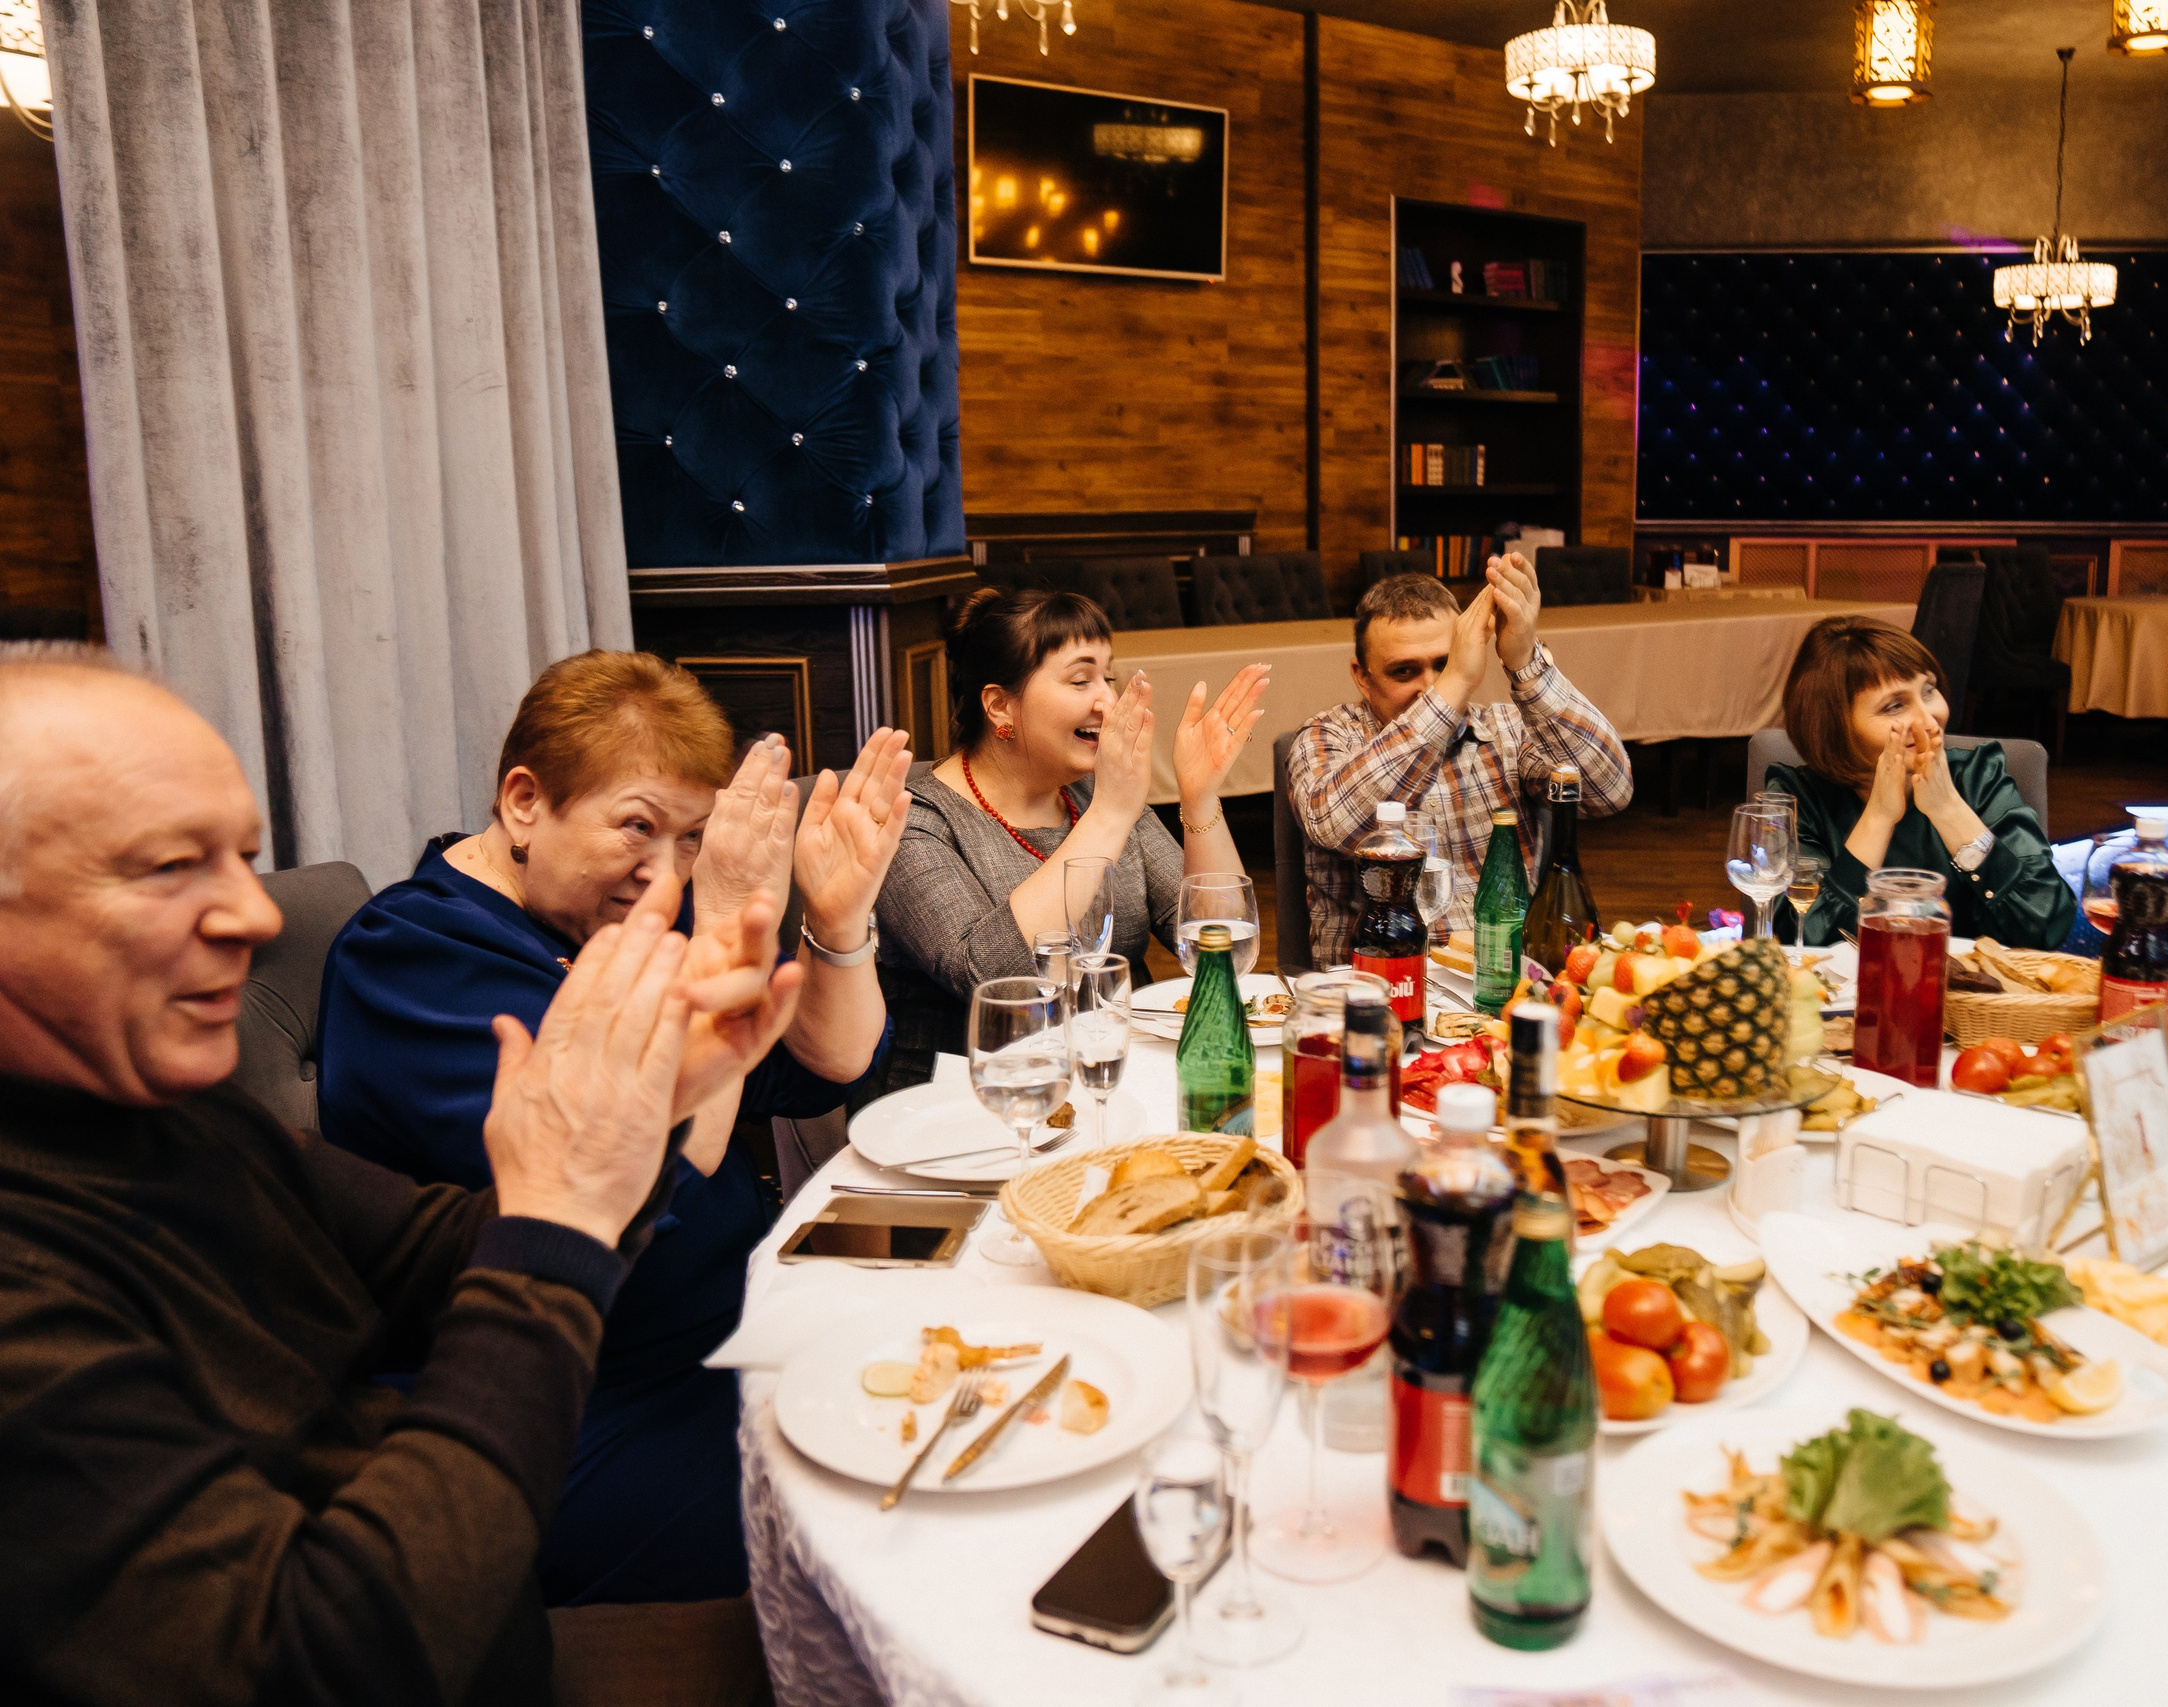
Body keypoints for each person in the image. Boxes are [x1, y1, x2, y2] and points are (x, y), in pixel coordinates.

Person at [0, 645, 799, 1704]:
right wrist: (558, 1219)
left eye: (244, 857)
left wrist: (617, 1140)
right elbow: (321, 1657)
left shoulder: (170, 1118)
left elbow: (432, 1247)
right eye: (167, 866)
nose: (255, 916)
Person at [316, 650, 908, 1608]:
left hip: (737, 1325)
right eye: (638, 826)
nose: (663, 872)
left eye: (692, 838)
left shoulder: (607, 915)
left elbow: (821, 1069)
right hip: (580, 1399)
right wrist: (715, 923)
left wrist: (838, 920)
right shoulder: (410, 957)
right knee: (897, 1521)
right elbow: (643, 1182)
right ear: (522, 803)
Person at [873, 586, 1269, 1077]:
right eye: (1081, 681)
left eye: (1108, 677)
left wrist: (1200, 796)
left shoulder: (1095, 796)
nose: (1109, 700)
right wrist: (1109, 814)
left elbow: (1220, 948)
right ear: (998, 706)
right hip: (971, 1102)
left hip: (1115, 1075)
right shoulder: (915, 821)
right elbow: (996, 978)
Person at [1289, 558, 1632, 967]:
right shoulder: (1326, 736)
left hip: (1504, 985)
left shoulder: (1508, 729)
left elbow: (1607, 792)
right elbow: (1336, 825)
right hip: (1376, 992)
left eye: (1445, 664)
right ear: (1362, 676)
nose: (1430, 687)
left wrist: (1525, 663)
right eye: (1404, 671)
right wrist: (1455, 684)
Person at [1764, 614, 2072, 949]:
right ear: (1833, 728)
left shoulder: (1977, 777)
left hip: (1966, 998)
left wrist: (1949, 808)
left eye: (1929, 691)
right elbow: (1799, 941)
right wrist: (1879, 817)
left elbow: (2046, 924)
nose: (1929, 720)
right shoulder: (1797, 798)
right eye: (1894, 706)